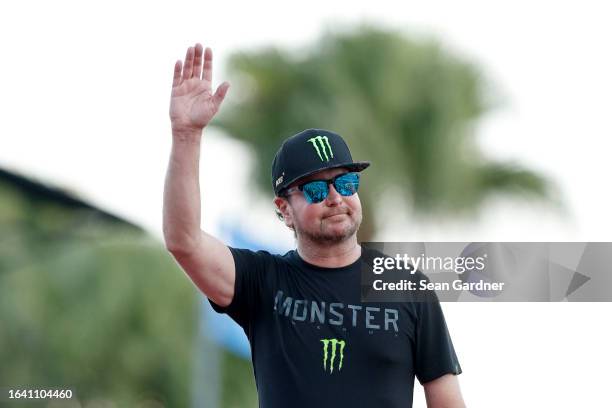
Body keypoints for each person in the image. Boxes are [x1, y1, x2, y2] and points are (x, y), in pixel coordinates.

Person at [163, 42, 466, 408]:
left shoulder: (406, 286)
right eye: (317, 189)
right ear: (284, 209)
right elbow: (184, 241)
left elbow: (446, 398)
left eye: (346, 183)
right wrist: (186, 136)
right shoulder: (263, 281)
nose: (335, 197)